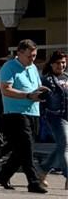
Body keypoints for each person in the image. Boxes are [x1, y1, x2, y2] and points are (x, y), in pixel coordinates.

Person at [0, 39, 47, 193]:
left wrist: (43, 91)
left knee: (22, 149)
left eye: (34, 56)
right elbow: (6, 90)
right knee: (27, 147)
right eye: (29, 56)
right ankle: (33, 181)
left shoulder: (32, 68)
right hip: (16, 113)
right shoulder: (9, 67)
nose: (32, 59)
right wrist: (28, 95)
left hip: (33, 111)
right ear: (19, 54)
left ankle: (3, 175)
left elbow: (36, 86)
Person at [38, 50, 68, 188]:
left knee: (62, 146)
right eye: (58, 63)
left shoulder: (66, 77)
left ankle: (43, 170)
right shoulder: (47, 79)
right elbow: (40, 97)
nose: (61, 65)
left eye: (63, 62)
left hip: (66, 115)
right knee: (64, 146)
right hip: (55, 116)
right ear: (51, 64)